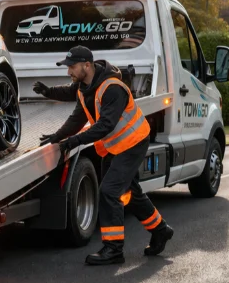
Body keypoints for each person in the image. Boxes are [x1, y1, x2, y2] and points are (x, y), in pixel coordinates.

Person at [34, 46, 174, 265]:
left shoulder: (112, 89)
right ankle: (161, 230)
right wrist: (56, 135)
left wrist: (74, 141)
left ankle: (114, 249)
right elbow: (75, 116)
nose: (68, 71)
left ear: (87, 66)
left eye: (71, 67)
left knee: (109, 191)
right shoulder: (84, 87)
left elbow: (105, 126)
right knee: (131, 193)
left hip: (133, 142)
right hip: (115, 147)